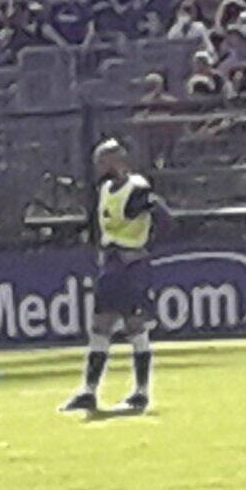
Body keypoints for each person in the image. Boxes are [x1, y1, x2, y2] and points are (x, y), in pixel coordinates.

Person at [64, 142, 171, 415]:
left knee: (134, 325)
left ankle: (141, 392)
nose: (98, 166)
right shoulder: (104, 189)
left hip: (131, 266)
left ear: (115, 161)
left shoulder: (137, 188)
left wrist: (144, 248)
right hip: (111, 265)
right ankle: (89, 392)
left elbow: (163, 216)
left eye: (102, 161)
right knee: (100, 325)